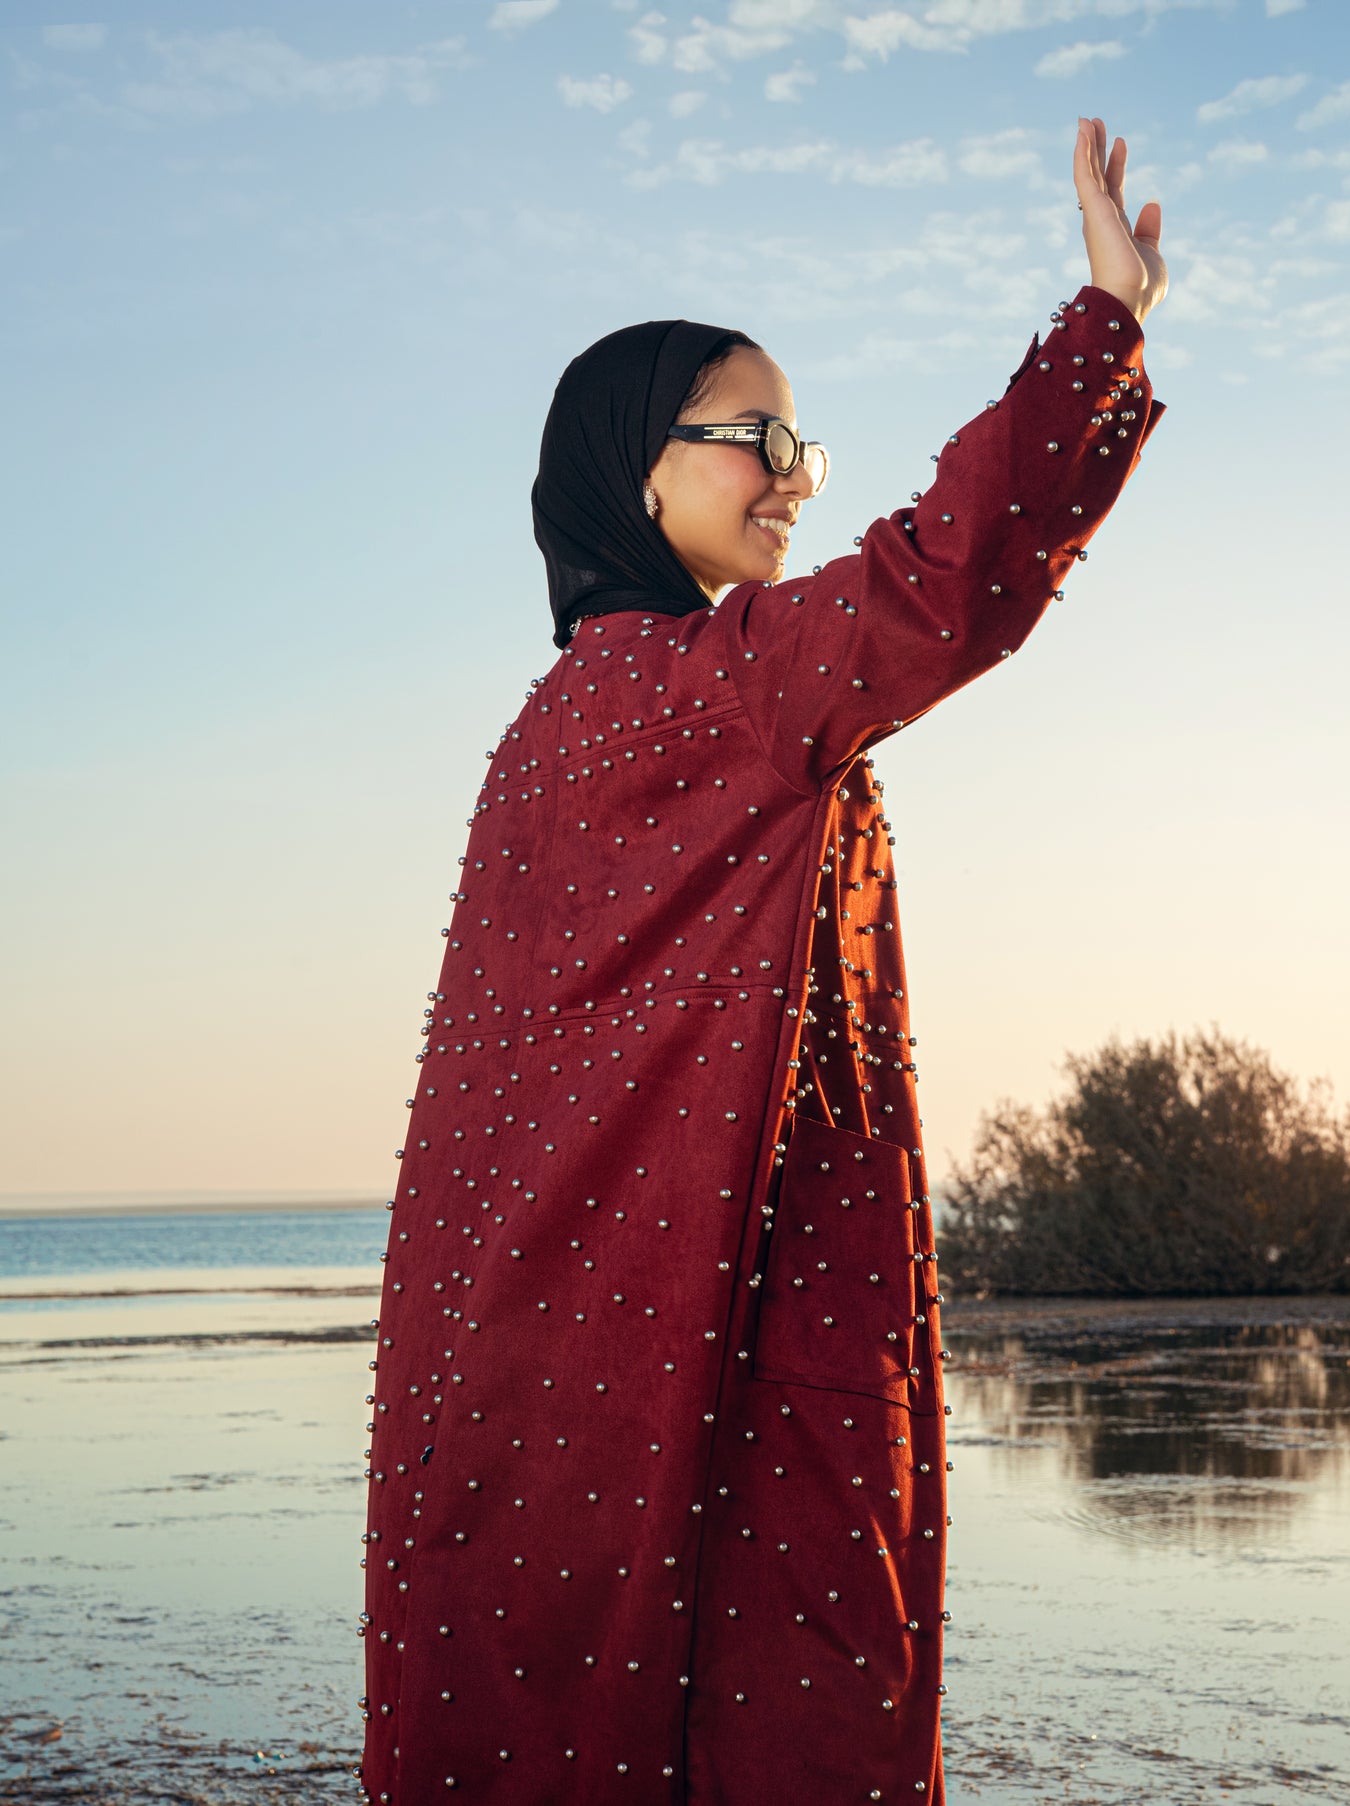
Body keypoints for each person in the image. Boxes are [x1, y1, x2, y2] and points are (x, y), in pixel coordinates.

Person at [357, 115, 1168, 1805]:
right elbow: (941, 582)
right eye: (759, 433)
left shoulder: (546, 732)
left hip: (536, 1376)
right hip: (718, 1357)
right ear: (639, 471)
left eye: (804, 432)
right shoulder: (697, 686)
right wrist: (1101, 324)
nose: (798, 470)